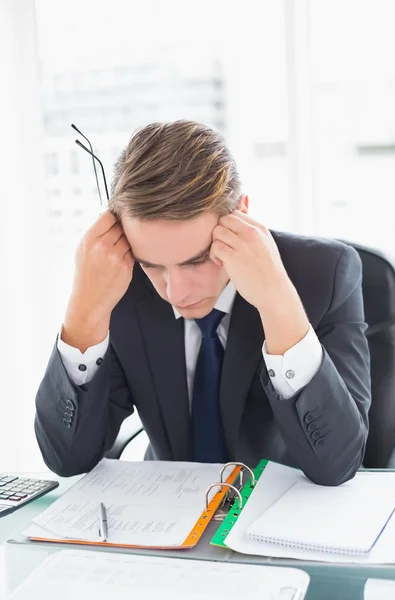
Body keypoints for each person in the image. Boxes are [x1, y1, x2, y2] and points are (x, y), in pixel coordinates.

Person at [35, 120, 371, 485]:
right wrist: (84, 310)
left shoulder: (324, 273)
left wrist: (278, 305)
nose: (176, 292)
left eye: (197, 260)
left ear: (242, 215)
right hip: (165, 517)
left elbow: (338, 464)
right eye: (152, 266)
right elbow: (66, 459)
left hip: (285, 518)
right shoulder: (119, 279)